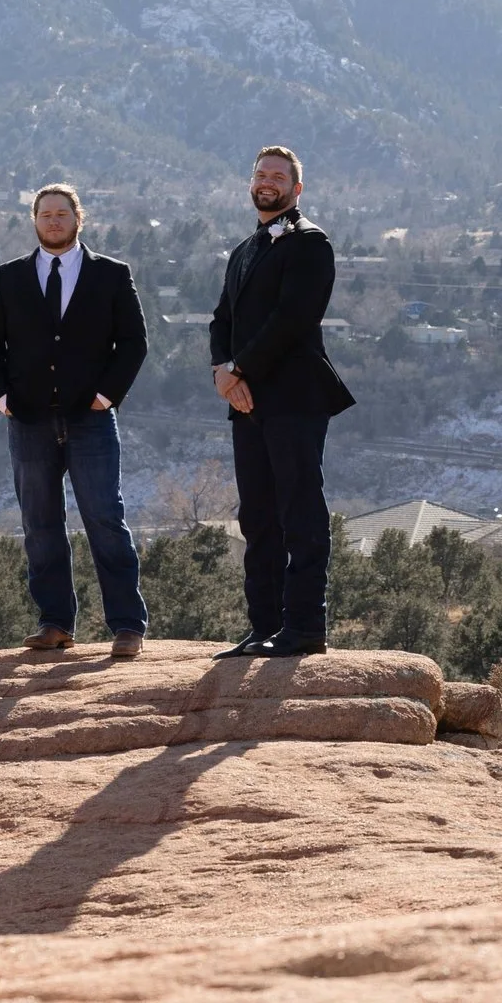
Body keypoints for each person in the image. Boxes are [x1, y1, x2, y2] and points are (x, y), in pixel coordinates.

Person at [0, 183, 150, 658]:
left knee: (105, 519)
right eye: (45, 214)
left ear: (78, 219)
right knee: (40, 524)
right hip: (28, 421)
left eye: (61, 214)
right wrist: (0, 399)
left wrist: (107, 394)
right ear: (34, 220)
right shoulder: (9, 277)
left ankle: (127, 626)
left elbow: (134, 341)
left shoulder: (111, 275)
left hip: (90, 420)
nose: (53, 221)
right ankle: (54, 623)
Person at [209, 146, 355, 659]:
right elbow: (220, 319)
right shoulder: (245, 249)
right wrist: (222, 374)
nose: (267, 182)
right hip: (246, 403)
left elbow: (293, 320)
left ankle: (305, 626)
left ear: (297, 189)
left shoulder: (311, 244)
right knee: (257, 517)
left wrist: (238, 369)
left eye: (278, 176)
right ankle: (264, 625)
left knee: (300, 512)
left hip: (294, 398)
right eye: (260, 174)